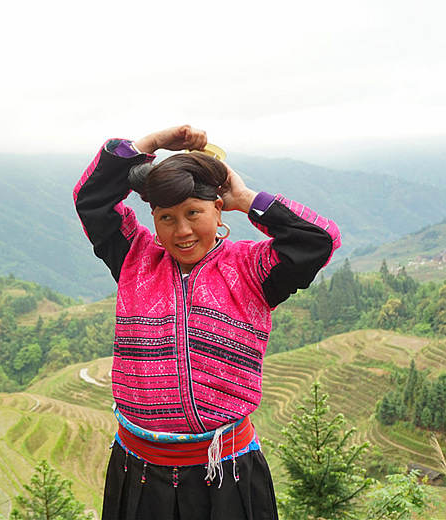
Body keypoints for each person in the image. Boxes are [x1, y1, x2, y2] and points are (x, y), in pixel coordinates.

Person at [73, 126, 340, 520]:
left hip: (226, 473)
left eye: (193, 213)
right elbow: (92, 200)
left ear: (218, 209)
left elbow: (319, 239)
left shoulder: (252, 270)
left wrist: (246, 199)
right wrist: (150, 146)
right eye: (166, 217)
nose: (181, 231)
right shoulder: (134, 257)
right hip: (139, 471)